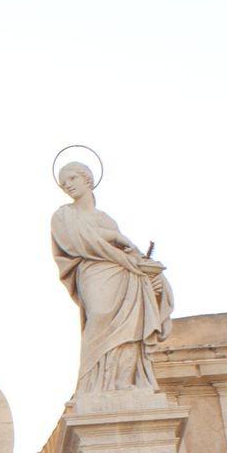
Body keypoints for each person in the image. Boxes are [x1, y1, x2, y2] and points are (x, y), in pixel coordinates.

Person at [50, 161, 173, 395]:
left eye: (72, 179)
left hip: (121, 272)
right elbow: (76, 241)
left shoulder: (106, 219)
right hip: (92, 272)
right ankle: (91, 384)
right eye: (63, 183)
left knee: (129, 325)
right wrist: (115, 237)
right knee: (99, 315)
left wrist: (139, 261)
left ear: (87, 179)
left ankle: (121, 382)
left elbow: (125, 250)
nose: (67, 186)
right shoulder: (63, 215)